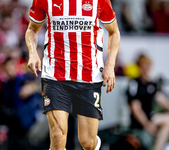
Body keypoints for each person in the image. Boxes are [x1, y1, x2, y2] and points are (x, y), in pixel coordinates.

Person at [25, 0, 120, 150]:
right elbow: (32, 29)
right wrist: (33, 53)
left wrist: (110, 64)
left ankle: (95, 143)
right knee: (57, 136)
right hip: (55, 74)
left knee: (87, 142)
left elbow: (114, 32)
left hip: (89, 75)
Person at [127, 54, 169, 150]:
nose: (146, 68)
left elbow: (162, 100)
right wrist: (147, 124)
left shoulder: (151, 84)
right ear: (139, 67)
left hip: (151, 116)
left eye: (148, 66)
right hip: (140, 121)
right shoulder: (135, 83)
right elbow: (135, 108)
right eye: (143, 65)